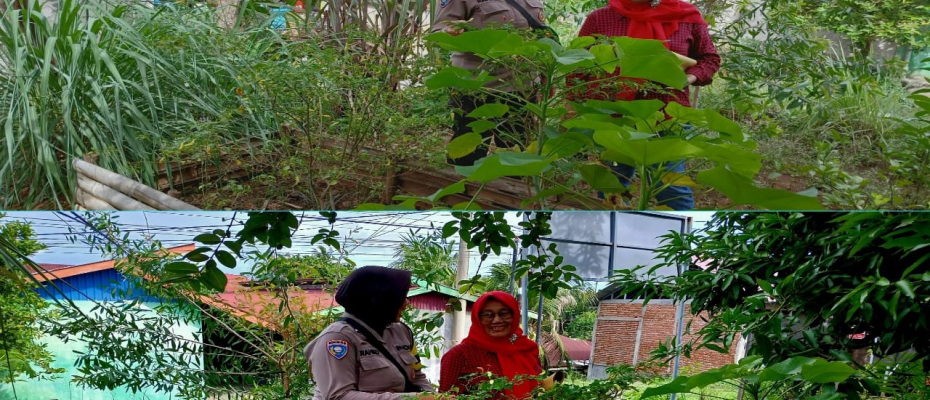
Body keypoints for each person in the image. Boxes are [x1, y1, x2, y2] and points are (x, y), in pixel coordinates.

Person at [574, 0, 721, 210]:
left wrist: (687, 78)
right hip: (615, 117)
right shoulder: (601, 18)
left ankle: (680, 240)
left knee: (671, 188)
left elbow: (709, 59)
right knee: (612, 187)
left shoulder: (687, 17)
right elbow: (580, 65)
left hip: (668, 117)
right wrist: (580, 108)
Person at [431, 0, 548, 166]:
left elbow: (540, 34)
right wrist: (450, 32)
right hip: (478, 89)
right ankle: (462, 190)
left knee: (517, 153)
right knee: (467, 155)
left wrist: (544, 75)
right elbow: (438, 33)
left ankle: (511, 191)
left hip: (522, 88)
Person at [303, 266, 437, 400]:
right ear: (380, 300)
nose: (405, 304)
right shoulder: (337, 338)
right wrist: (413, 399)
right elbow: (339, 396)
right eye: (399, 298)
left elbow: (418, 377)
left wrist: (433, 396)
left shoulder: (401, 331)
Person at [439, 291, 558, 399]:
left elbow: (538, 389)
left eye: (504, 313)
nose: (496, 320)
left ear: (514, 316)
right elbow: (445, 397)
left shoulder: (526, 349)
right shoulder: (460, 355)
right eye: (488, 315)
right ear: (477, 318)